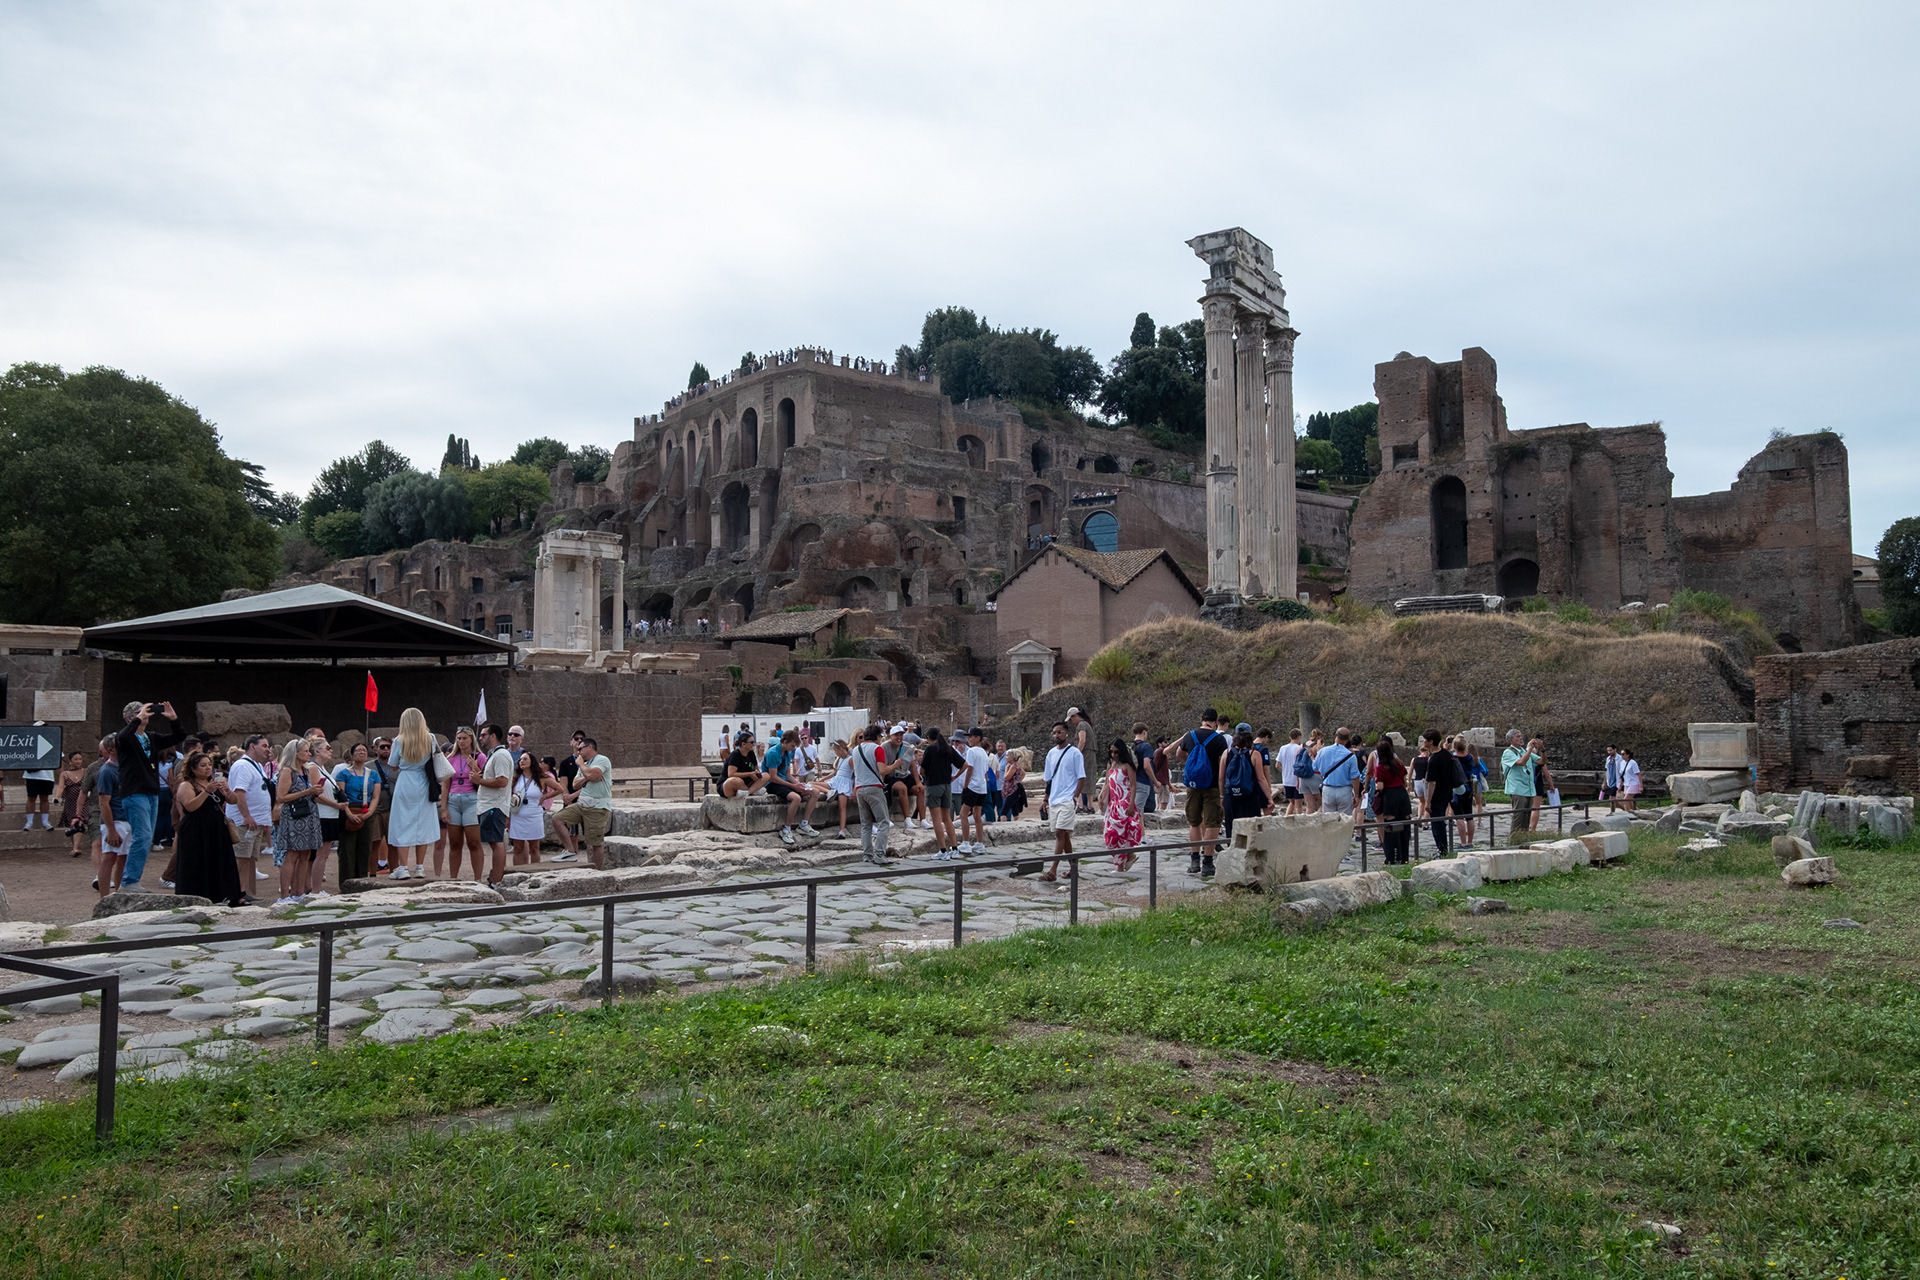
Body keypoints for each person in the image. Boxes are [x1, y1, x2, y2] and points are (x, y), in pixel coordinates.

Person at [111, 699, 181, 890]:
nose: (143, 715)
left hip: (152, 792)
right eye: (138, 712)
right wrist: (137, 721)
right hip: (135, 792)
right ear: (129, 718)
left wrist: (173, 719)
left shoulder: (151, 737)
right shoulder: (124, 738)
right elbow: (123, 737)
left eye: (144, 711)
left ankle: (132, 880)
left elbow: (178, 736)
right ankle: (129, 882)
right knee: (141, 837)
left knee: (146, 838)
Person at [170, 749, 246, 906]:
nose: (208, 768)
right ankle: (197, 897)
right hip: (196, 830)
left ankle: (225, 895)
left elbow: (233, 800)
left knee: (220, 862)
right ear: (193, 768)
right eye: (203, 765)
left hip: (216, 829)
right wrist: (206, 791)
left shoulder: (215, 782)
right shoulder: (186, 785)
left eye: (209, 765)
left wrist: (226, 790)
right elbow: (191, 806)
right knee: (198, 863)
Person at [387, 709, 451, 880]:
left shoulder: (399, 740)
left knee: (402, 824)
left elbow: (393, 764)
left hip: (406, 782)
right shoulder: (430, 738)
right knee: (422, 824)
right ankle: (419, 867)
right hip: (423, 782)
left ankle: (403, 867)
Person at [1167, 708, 1228, 879]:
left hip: (1193, 785)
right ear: (1216, 721)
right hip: (1212, 785)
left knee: (1194, 822)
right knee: (1212, 823)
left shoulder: (1190, 736)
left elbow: (1179, 753)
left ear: (1201, 719)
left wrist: (1192, 764)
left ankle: (1194, 861)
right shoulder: (1219, 739)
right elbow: (1224, 762)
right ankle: (1207, 862)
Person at [271, 737, 323, 904]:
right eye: (306, 751)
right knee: (292, 854)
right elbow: (281, 797)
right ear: (296, 753)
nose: (309, 754)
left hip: (308, 815)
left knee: (305, 854)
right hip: (294, 817)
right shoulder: (287, 771)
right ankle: (284, 895)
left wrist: (315, 791)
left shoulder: (305, 771)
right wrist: (307, 792)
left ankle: (299, 892)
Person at [553, 735, 613, 868]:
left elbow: (591, 774)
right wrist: (588, 777)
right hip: (581, 805)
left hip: (597, 807)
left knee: (595, 843)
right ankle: (570, 851)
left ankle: (596, 871)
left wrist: (582, 766)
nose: (578, 752)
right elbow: (575, 784)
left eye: (581, 749)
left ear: (590, 747)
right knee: (558, 819)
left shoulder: (602, 760)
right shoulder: (586, 765)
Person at [225, 734, 274, 892]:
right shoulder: (242, 765)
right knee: (241, 858)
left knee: (250, 858)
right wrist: (246, 816)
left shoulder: (257, 765)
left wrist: (264, 820)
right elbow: (239, 792)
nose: (268, 750)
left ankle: (246, 892)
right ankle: (235, 893)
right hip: (244, 822)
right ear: (252, 746)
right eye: (264, 746)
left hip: (257, 821)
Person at [1040, 721, 1085, 882]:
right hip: (1054, 799)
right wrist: (1045, 799)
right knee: (1063, 834)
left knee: (1060, 832)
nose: (1056, 735)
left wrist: (1075, 796)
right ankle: (1073, 867)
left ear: (1066, 734)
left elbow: (1081, 776)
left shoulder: (1075, 753)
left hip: (1067, 798)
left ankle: (1053, 870)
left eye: (1059, 732)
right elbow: (1049, 779)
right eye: (1054, 732)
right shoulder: (1051, 754)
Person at [761, 729, 820, 848]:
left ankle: (804, 824)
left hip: (784, 781)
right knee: (796, 798)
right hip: (772, 784)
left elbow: (788, 774)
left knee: (815, 792)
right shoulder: (773, 753)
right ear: (785, 742)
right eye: (792, 745)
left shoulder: (787, 753)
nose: (793, 748)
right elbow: (773, 777)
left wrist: (798, 784)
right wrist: (793, 786)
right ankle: (786, 828)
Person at [849, 723, 898, 865]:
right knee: (883, 822)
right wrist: (895, 765)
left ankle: (867, 855)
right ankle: (880, 855)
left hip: (860, 788)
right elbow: (882, 770)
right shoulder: (878, 749)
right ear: (877, 736)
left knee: (866, 824)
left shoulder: (856, 750)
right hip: (874, 788)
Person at [332, 741, 381, 883]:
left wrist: (369, 812)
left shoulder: (373, 774)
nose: (362, 752)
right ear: (352, 755)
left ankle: (361, 880)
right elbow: (341, 795)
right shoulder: (343, 774)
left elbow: (376, 796)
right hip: (349, 808)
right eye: (358, 750)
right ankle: (346, 882)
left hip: (367, 809)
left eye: (364, 750)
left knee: (365, 847)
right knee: (347, 848)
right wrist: (348, 813)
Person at [474, 722, 514, 887]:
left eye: (483, 735)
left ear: (493, 736)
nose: (480, 738)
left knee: (496, 842)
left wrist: (480, 781)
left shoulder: (501, 755)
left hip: (494, 806)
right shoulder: (494, 754)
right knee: (494, 841)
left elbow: (502, 781)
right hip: (489, 805)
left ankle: (497, 881)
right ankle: (496, 878)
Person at [443, 728, 484, 882]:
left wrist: (474, 766)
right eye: (459, 738)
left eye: (465, 738)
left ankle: (477, 879)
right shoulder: (451, 759)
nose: (461, 741)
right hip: (453, 799)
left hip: (471, 798)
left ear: (471, 739)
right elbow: (445, 785)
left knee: (473, 842)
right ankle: (453, 878)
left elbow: (484, 778)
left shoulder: (479, 757)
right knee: (454, 842)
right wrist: (444, 808)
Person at [918, 727, 963, 859]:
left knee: (936, 820)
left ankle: (943, 850)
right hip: (947, 786)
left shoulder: (930, 749)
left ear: (928, 738)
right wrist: (955, 776)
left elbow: (922, 770)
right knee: (947, 818)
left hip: (933, 785)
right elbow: (964, 765)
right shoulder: (948, 749)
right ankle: (955, 848)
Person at [508, 749, 558, 866]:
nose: (522, 761)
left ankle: (535, 871)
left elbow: (559, 789)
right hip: (518, 815)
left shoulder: (541, 778)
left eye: (525, 759)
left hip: (534, 815)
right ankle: (517, 871)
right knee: (518, 848)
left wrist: (545, 797)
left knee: (534, 848)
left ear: (532, 761)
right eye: (520, 759)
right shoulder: (516, 778)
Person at [1098, 738, 1142, 869]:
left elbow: (1133, 786)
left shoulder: (1127, 766)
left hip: (1124, 803)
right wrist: (1101, 795)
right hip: (1113, 804)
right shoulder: (1110, 765)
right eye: (1111, 752)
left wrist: (1131, 804)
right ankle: (1129, 857)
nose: (1113, 755)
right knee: (1111, 833)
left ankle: (1120, 865)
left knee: (1122, 834)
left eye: (1116, 752)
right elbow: (1107, 783)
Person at [1221, 729, 1271, 842]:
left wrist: (1222, 795)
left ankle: (1231, 848)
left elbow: (1221, 778)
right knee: (1251, 828)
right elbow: (1261, 778)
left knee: (1231, 827)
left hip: (1231, 795)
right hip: (1250, 796)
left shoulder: (1226, 753)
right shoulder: (1254, 754)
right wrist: (1269, 797)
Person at [1371, 736, 1413, 864]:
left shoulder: (1380, 768)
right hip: (1402, 794)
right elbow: (1404, 780)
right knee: (1405, 824)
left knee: (1391, 827)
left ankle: (1392, 857)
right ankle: (1405, 857)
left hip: (1390, 795)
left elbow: (1380, 786)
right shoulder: (1399, 764)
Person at [1418, 729, 1460, 856]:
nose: (1423, 741)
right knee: (1441, 821)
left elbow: (1432, 782)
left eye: (1425, 739)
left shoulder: (1434, 759)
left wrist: (1428, 801)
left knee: (1437, 824)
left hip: (1437, 795)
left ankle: (1442, 849)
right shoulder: (1446, 754)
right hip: (1447, 792)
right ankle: (1444, 848)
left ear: (1431, 741)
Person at [95, 737, 128, 896]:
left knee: (124, 858)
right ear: (111, 750)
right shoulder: (107, 771)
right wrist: (111, 829)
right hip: (115, 820)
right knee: (109, 857)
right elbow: (103, 803)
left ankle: (119, 895)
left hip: (127, 818)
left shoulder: (124, 768)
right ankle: (104, 898)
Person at [1316, 727, 1362, 822]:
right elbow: (1355, 777)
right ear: (1347, 740)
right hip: (1344, 790)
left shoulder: (1322, 751)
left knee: (1329, 821)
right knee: (1344, 820)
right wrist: (1356, 795)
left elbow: (1315, 767)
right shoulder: (1350, 756)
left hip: (1328, 789)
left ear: (1335, 736)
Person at [958, 727, 992, 855]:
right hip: (982, 787)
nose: (969, 739)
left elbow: (970, 769)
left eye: (971, 737)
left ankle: (966, 843)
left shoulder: (971, 751)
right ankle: (979, 843)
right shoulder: (984, 752)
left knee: (963, 814)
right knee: (977, 815)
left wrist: (965, 785)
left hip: (972, 786)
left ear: (977, 738)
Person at [1501, 730, 1539, 835]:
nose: (1521, 738)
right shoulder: (1508, 752)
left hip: (1528, 788)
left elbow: (1542, 761)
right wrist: (1530, 749)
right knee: (1518, 816)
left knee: (1526, 817)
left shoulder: (1524, 751)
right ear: (1511, 740)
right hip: (1517, 788)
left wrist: (1543, 749)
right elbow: (1521, 762)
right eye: (1517, 736)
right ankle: (1514, 838)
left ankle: (1523, 838)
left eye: (1521, 736)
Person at [21, 733, 55, 831]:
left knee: (44, 798)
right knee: (31, 797)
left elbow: (58, 758)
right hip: (32, 776)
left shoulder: (52, 742)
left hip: (47, 776)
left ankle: (45, 822)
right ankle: (29, 822)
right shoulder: (29, 743)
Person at [57, 751, 88, 856]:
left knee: (79, 822)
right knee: (72, 823)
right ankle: (74, 846)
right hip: (70, 802)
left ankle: (75, 848)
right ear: (70, 761)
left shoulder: (86, 772)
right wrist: (56, 797)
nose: (78, 761)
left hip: (83, 802)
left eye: (80, 759)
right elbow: (60, 787)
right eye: (76, 759)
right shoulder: (65, 774)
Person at [825, 739, 856, 838]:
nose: (835, 752)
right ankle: (829, 791)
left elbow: (856, 774)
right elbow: (835, 772)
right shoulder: (840, 759)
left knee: (842, 807)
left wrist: (854, 789)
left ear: (840, 749)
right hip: (836, 781)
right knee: (811, 784)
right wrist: (822, 779)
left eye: (835, 750)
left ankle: (842, 830)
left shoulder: (850, 759)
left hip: (845, 783)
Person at [1066, 707, 1094, 813]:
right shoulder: (1086, 724)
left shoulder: (1081, 725)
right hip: (1089, 753)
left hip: (1085, 753)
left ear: (1076, 715)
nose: (1071, 721)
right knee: (1089, 777)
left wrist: (1076, 754)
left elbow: (1082, 741)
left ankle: (1081, 805)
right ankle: (1090, 806)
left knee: (1080, 777)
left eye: (1071, 718)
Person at [1276, 728, 1305, 815]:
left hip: (1286, 780)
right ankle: (1300, 821)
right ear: (1299, 737)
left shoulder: (1283, 748)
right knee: (1299, 805)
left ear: (1290, 737)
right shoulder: (1299, 748)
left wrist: (1284, 772)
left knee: (1291, 802)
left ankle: (1286, 817)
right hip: (1296, 780)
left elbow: (1277, 765)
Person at [1131, 723, 1156, 814]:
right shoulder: (1146, 746)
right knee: (1137, 812)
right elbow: (1146, 766)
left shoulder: (1129, 746)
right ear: (1144, 732)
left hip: (1130, 781)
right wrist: (1155, 781)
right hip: (1142, 781)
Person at [1297, 729, 1324, 813]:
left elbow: (1297, 760)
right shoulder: (1317, 747)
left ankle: (1308, 819)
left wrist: (1297, 780)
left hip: (1303, 777)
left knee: (1309, 806)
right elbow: (1319, 761)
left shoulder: (1302, 745)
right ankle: (1317, 818)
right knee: (1323, 804)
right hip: (1315, 776)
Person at [1001, 747, 1028, 818]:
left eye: (1007, 756)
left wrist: (1006, 770)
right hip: (1014, 789)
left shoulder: (1013, 766)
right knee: (1015, 811)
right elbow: (1023, 773)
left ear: (1012, 757)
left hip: (1012, 790)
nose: (1006, 757)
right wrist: (1019, 780)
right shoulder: (1017, 765)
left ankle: (1003, 823)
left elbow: (1006, 778)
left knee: (1003, 812)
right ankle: (1016, 821)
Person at [1601, 744, 1623, 812]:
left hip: (1617, 781)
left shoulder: (1620, 759)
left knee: (1612, 799)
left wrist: (1621, 783)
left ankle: (1612, 812)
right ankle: (1622, 809)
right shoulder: (1608, 759)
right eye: (1608, 751)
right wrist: (1604, 783)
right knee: (1613, 800)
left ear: (1615, 749)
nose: (1609, 752)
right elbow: (1607, 771)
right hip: (1610, 781)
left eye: (1610, 750)